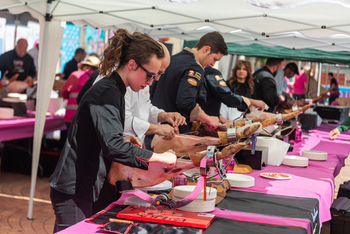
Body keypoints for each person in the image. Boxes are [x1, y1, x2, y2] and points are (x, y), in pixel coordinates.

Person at [49, 29, 177, 232]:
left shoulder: (116, 89)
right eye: (150, 75)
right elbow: (113, 147)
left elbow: (103, 136)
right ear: (132, 64)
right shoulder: (107, 91)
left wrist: (125, 138)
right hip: (74, 186)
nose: (151, 82)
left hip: (83, 183)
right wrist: (158, 158)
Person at [151, 31, 228, 133]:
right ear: (206, 49)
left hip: (155, 126)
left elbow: (153, 90)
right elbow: (185, 102)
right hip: (173, 131)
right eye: (214, 59)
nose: (213, 64)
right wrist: (208, 119)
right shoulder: (195, 67)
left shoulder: (172, 59)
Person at [124, 43, 186, 146]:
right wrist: (157, 129)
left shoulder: (143, 78)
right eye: (155, 74)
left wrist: (165, 115)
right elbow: (124, 121)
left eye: (159, 73)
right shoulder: (115, 85)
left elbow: (145, 107)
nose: (156, 79)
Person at [60, 55, 101, 133]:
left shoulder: (75, 75)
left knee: (70, 143)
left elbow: (64, 92)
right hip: (90, 117)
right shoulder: (99, 79)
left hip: (72, 115)